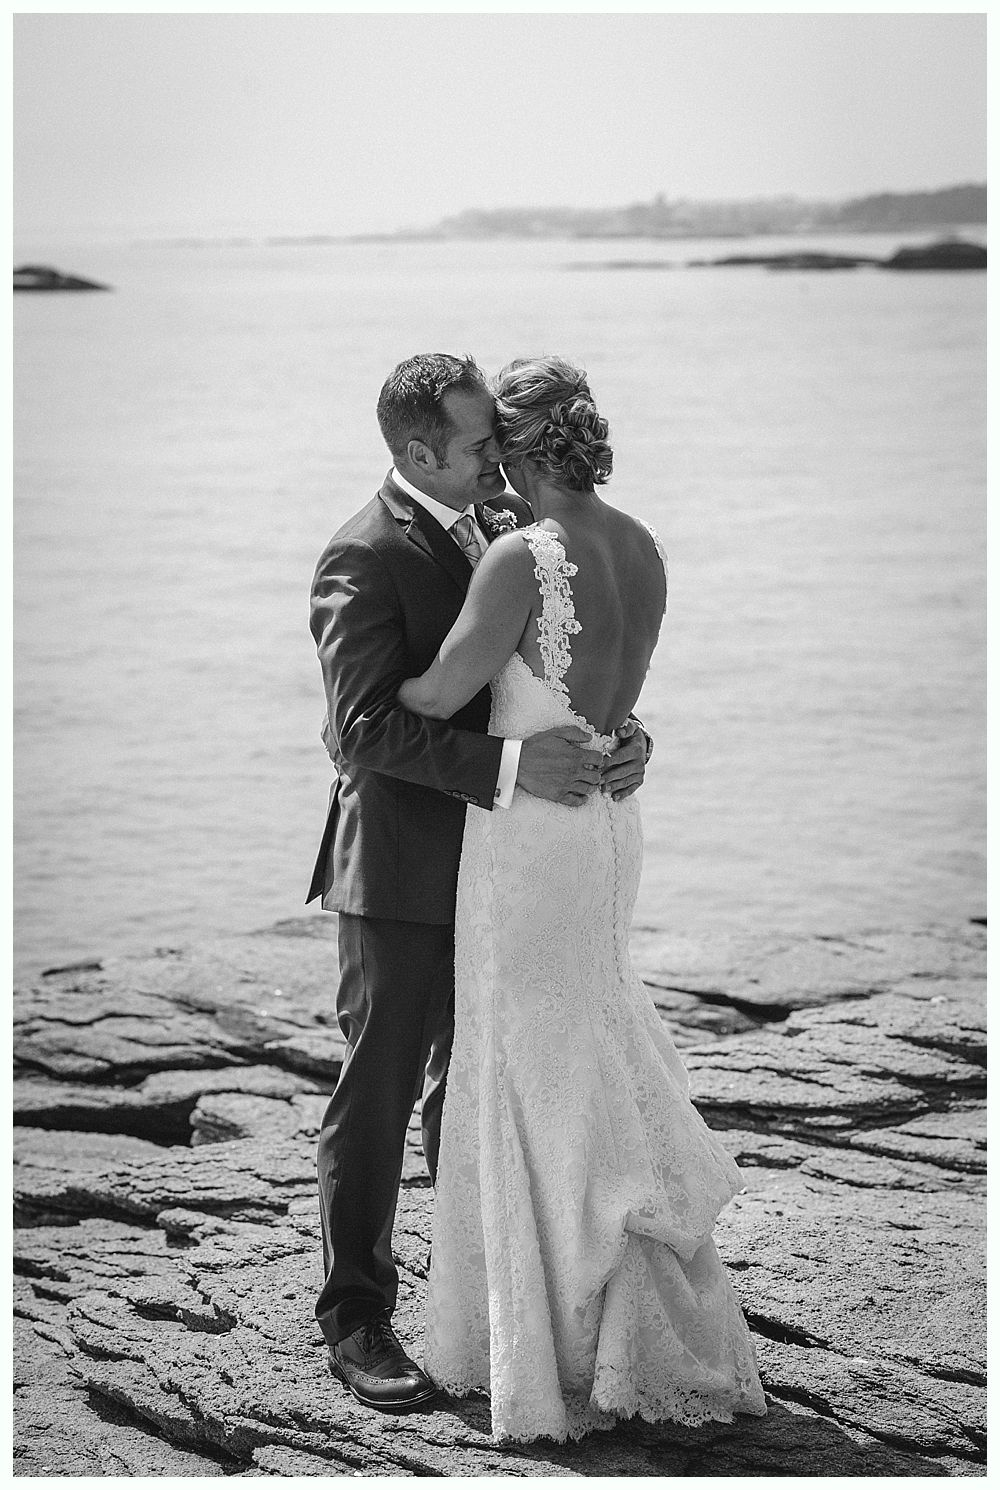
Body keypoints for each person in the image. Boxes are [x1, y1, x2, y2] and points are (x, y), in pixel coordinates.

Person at [397, 355, 766, 1442]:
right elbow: (613, 697)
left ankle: (553, 1333)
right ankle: (623, 1304)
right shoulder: (640, 545)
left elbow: (437, 693)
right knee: (594, 1034)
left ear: (511, 444)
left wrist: (364, 696)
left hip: (531, 839)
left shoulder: (518, 557)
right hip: (609, 818)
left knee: (525, 1052)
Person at [306, 353, 651, 1411]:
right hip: (407, 866)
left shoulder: (506, 521)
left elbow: (550, 659)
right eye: (472, 445)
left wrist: (615, 730)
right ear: (416, 451)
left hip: (507, 870)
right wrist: (513, 766)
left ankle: (489, 1302)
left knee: (481, 1085)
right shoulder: (361, 554)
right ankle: (357, 1316)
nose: (493, 458)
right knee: (377, 1087)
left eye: (497, 440)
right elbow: (357, 727)